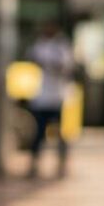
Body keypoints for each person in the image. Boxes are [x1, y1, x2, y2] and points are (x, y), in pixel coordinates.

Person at [25, 23, 75, 178]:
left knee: (60, 133)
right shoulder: (39, 45)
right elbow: (31, 59)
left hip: (57, 98)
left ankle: (62, 163)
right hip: (41, 98)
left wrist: (50, 64)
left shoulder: (61, 47)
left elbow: (66, 67)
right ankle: (34, 164)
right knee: (38, 134)